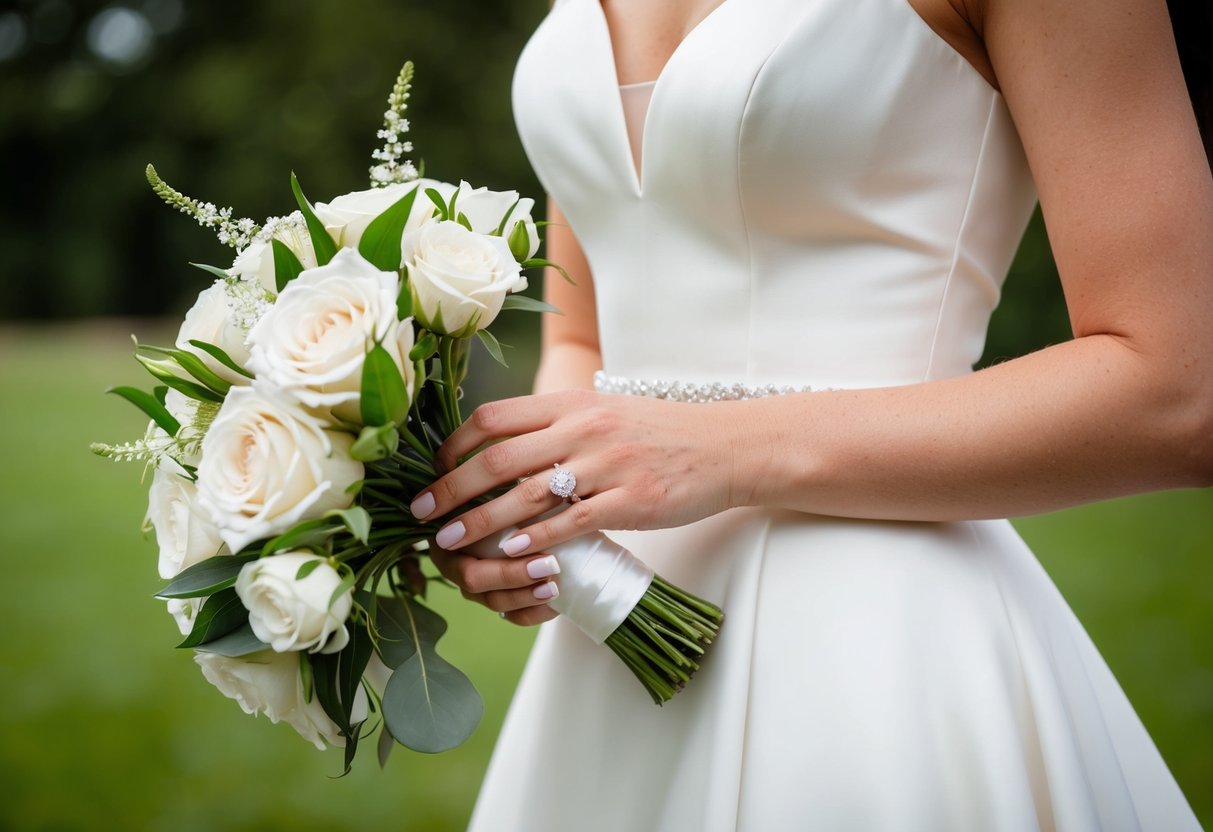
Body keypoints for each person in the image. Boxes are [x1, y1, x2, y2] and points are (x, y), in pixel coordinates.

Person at [417, 0, 1211, 827]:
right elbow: (584, 332)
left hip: (875, 646)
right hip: (613, 631)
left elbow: (1177, 388)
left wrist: (721, 451)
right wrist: (537, 513)